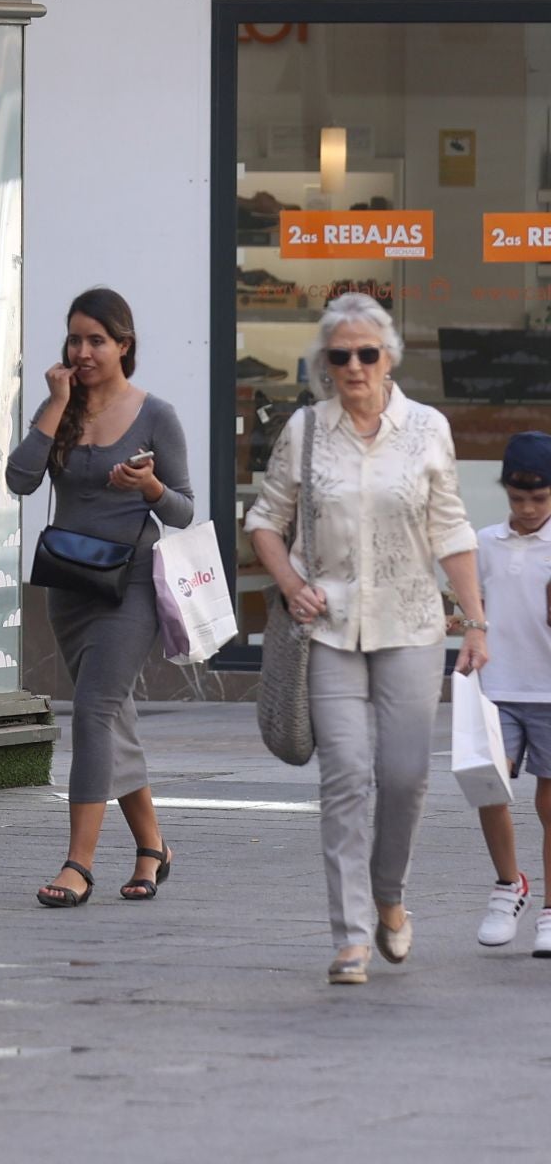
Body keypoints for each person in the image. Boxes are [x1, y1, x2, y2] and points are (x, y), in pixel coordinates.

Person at [246, 293, 487, 986]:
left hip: (412, 626)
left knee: (407, 778)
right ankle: (351, 936)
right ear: (326, 362)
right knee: (347, 776)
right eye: (340, 355)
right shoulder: (307, 430)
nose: (354, 366)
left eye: (366, 353)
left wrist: (475, 621)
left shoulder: (426, 429)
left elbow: (452, 530)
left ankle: (389, 896)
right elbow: (266, 520)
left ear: (388, 358)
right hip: (328, 629)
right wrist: (292, 584)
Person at [5, 288, 193, 908]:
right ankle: (152, 846)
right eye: (74, 339)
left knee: (91, 712)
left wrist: (151, 486)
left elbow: (186, 511)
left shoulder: (156, 415)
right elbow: (20, 478)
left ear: (123, 346)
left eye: (96, 341)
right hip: (71, 586)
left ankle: (77, 865)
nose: (82, 352)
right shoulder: (60, 406)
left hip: (131, 585)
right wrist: (56, 406)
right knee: (113, 717)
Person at [469, 431, 551, 957]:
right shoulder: (482, 542)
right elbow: (463, 607)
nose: (526, 509)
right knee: (488, 788)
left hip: (549, 690)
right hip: (495, 687)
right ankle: (508, 885)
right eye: (517, 498)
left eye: (539, 500)